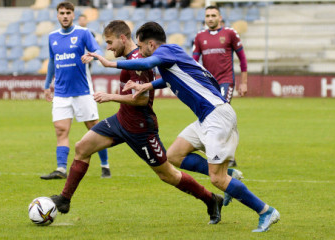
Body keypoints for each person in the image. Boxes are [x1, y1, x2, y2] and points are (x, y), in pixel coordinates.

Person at [90, 21, 280, 232]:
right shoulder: (170, 57)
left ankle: (266, 211)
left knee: (217, 178)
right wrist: (147, 85)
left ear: (151, 44)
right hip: (205, 117)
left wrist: (109, 64)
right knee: (174, 156)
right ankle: (231, 176)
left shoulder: (166, 50)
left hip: (216, 116)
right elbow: (169, 78)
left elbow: (145, 65)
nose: (140, 52)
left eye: (141, 46)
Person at [51, 20, 224, 225]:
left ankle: (211, 199)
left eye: (109, 42)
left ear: (122, 38)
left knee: (167, 174)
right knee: (82, 148)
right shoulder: (130, 58)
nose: (108, 47)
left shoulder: (139, 60)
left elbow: (141, 99)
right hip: (121, 120)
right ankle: (64, 199)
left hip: (141, 129)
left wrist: (110, 97)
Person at [41, 1, 111, 180]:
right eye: (61, 13)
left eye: (68, 13)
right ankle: (61, 169)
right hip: (61, 92)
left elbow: (97, 49)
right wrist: (47, 84)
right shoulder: (52, 37)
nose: (64, 16)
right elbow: (52, 61)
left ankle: (105, 165)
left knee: (94, 129)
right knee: (61, 130)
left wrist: (91, 55)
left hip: (83, 91)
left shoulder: (83, 33)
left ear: (73, 15)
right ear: (57, 15)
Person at [193, 6, 249, 167]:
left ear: (220, 17)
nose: (210, 18)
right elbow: (193, 62)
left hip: (225, 81)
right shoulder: (199, 37)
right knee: (210, 117)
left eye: (213, 15)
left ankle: (226, 155)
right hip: (208, 84)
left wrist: (244, 82)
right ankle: (219, 151)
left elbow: (243, 59)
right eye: (207, 16)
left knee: (220, 115)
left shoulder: (230, 34)